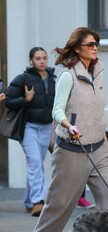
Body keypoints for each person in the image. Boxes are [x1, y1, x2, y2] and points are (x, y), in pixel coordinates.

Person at [27, 27, 108, 232]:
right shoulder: (67, 76)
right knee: (59, 204)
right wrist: (67, 124)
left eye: (97, 44)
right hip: (72, 150)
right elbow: (57, 109)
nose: (95, 47)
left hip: (99, 149)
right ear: (77, 48)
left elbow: (97, 111)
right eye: (91, 44)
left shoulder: (99, 72)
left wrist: (103, 140)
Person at [6, 47, 56, 217]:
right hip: (28, 127)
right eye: (37, 58)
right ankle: (38, 201)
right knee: (35, 162)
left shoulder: (53, 79)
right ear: (31, 61)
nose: (41, 61)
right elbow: (9, 101)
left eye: (44, 58)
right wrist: (26, 99)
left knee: (36, 165)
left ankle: (29, 201)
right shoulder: (23, 79)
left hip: (46, 128)